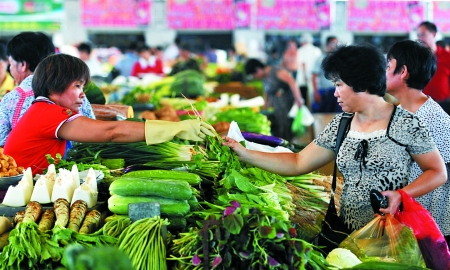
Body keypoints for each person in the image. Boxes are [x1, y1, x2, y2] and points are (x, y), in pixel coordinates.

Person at [225, 44, 446, 234]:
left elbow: (437, 172)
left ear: (361, 83)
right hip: (347, 234)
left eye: (339, 85)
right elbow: (298, 162)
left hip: (393, 235)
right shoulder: (342, 124)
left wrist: (401, 195)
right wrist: (246, 153)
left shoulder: (406, 123)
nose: (335, 93)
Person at [3, 53, 214, 175]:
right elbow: (112, 131)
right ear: (55, 86)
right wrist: (176, 128)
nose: (82, 94)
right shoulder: (47, 113)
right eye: (77, 85)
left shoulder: (45, 109)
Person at [385, 40, 450, 247]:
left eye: (388, 66)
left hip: (430, 231)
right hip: (408, 223)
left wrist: (402, 195)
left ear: (403, 71)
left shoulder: (434, 119)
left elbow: (440, 175)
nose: (383, 72)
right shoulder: (399, 112)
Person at [0, 31, 96, 147]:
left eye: (11, 63)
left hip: (24, 164)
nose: (10, 69)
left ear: (23, 65)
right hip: (74, 163)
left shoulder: (11, 99)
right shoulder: (74, 93)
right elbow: (92, 137)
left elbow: (3, 144)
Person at [244, 58, 303, 141]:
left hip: (287, 106)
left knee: (288, 128)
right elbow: (266, 92)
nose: (255, 77)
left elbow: (292, 81)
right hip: (278, 108)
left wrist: (298, 99)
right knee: (281, 130)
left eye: (254, 75)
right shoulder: (264, 77)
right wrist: (266, 106)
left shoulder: (276, 71)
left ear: (258, 69)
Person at [416, 21, 450, 113]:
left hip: (445, 105)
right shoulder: (417, 59)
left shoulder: (447, 56)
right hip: (423, 105)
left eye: (423, 34)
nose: (420, 38)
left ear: (434, 34)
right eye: (418, 35)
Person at [311, 36, 342, 113]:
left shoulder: (338, 59)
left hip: (336, 91)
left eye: (337, 43)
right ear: (328, 44)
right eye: (334, 43)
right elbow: (314, 76)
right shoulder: (321, 59)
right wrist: (316, 92)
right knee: (323, 113)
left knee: (336, 114)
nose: (336, 45)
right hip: (324, 91)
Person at [296, 33, 321, 107]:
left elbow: (303, 64)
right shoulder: (317, 50)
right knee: (313, 99)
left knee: (304, 101)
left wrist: (305, 76)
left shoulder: (300, 50)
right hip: (315, 79)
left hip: (303, 80)